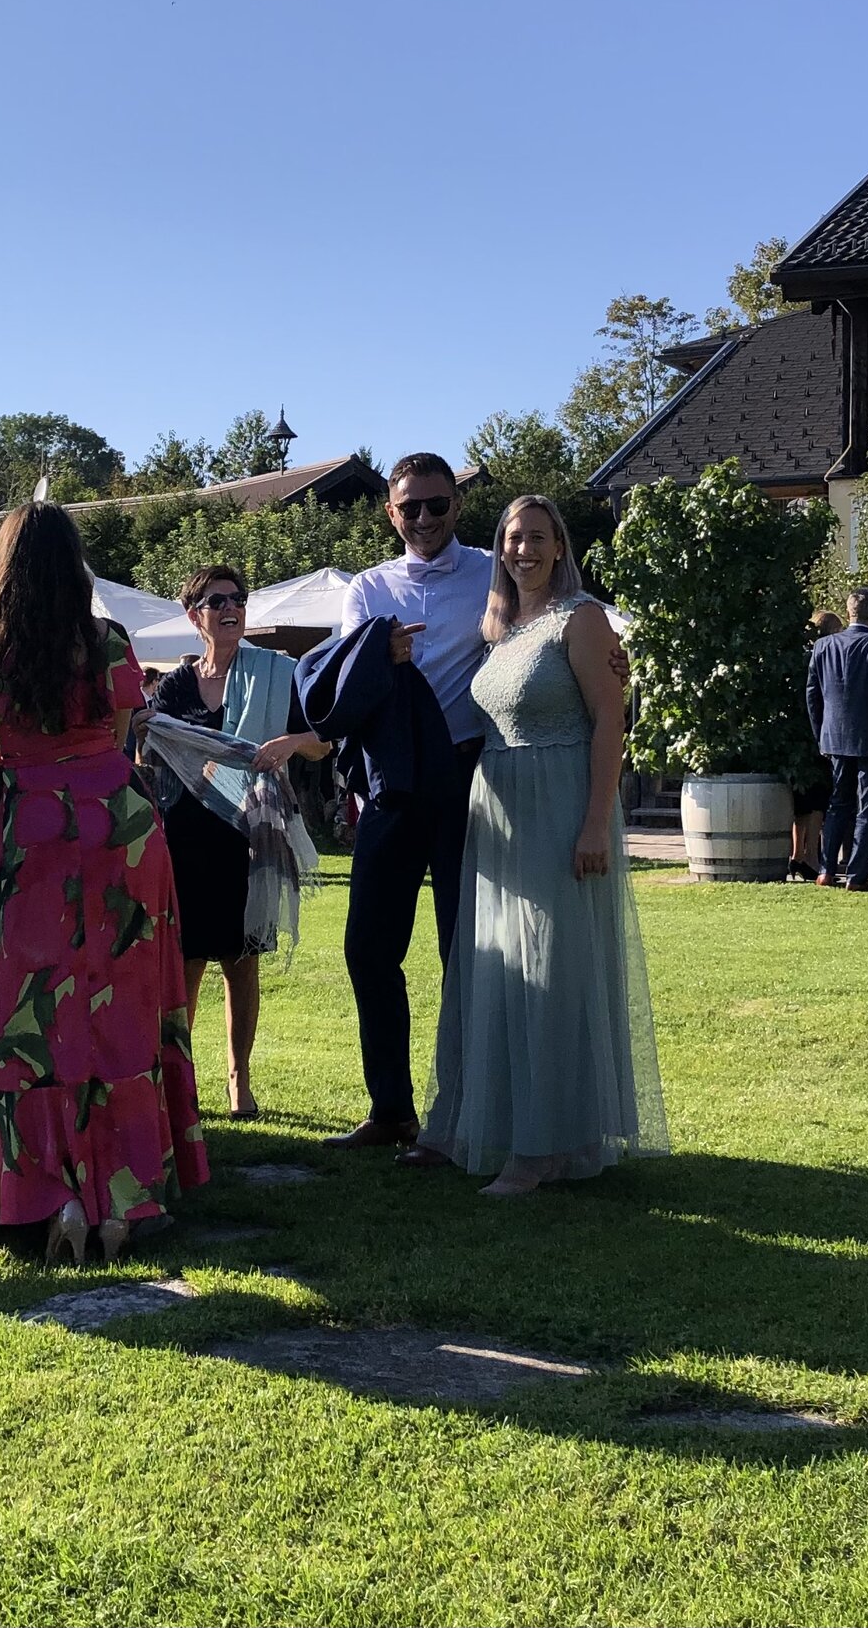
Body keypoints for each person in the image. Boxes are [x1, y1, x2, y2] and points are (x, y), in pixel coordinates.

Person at [0, 503, 207, 1263]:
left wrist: (20, 751)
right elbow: (115, 738)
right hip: (122, 826)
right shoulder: (106, 640)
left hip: (38, 828)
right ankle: (123, 1196)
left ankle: (56, 1198)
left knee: (34, 1013)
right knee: (125, 1009)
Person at [400, 496, 666, 1193]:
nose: (524, 549)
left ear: (559, 546)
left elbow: (610, 722)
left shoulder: (581, 618)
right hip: (498, 812)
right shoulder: (499, 625)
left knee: (550, 969)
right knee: (495, 968)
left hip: (560, 803)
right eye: (513, 537)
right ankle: (473, 1122)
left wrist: (594, 822)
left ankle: (544, 1146)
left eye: (537, 537)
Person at [313, 454, 494, 1150]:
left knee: (465, 952)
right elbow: (348, 681)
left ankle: (464, 1112)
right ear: (390, 513)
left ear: (457, 505)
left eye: (436, 504)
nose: (423, 518)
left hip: (469, 779)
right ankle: (391, 1109)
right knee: (368, 948)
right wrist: (375, 655)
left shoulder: (491, 572)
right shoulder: (368, 587)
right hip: (393, 781)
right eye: (409, 507)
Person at [145, 564, 329, 1119]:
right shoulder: (175, 685)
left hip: (248, 837)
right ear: (193, 614)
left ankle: (238, 1081)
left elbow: (323, 742)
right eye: (217, 600)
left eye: (238, 599)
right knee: (186, 963)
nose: (231, 608)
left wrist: (290, 743)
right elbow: (160, 753)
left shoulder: (278, 673)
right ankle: (177, 1084)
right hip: (186, 836)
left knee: (241, 960)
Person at [805, 588, 868, 891]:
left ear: (848, 611)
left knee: (838, 804)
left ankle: (826, 869)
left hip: (834, 737)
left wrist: (821, 735)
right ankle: (857, 873)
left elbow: (812, 695)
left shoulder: (823, 646)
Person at [788, 610, 845, 881]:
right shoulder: (824, 657)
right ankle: (811, 856)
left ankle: (797, 855)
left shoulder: (800, 658)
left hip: (796, 736)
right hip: (818, 733)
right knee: (818, 801)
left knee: (801, 802)